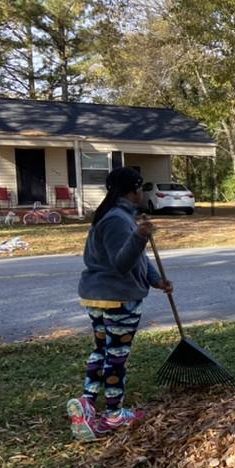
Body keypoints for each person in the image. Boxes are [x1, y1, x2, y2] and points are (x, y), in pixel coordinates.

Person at [67, 166, 173, 442]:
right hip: (117, 299)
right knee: (116, 356)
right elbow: (122, 263)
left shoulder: (116, 215)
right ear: (133, 190)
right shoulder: (117, 219)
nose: (142, 193)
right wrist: (140, 236)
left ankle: (87, 402)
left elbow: (138, 258)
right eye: (140, 187)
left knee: (102, 349)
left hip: (99, 295)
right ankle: (113, 415)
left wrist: (156, 280)